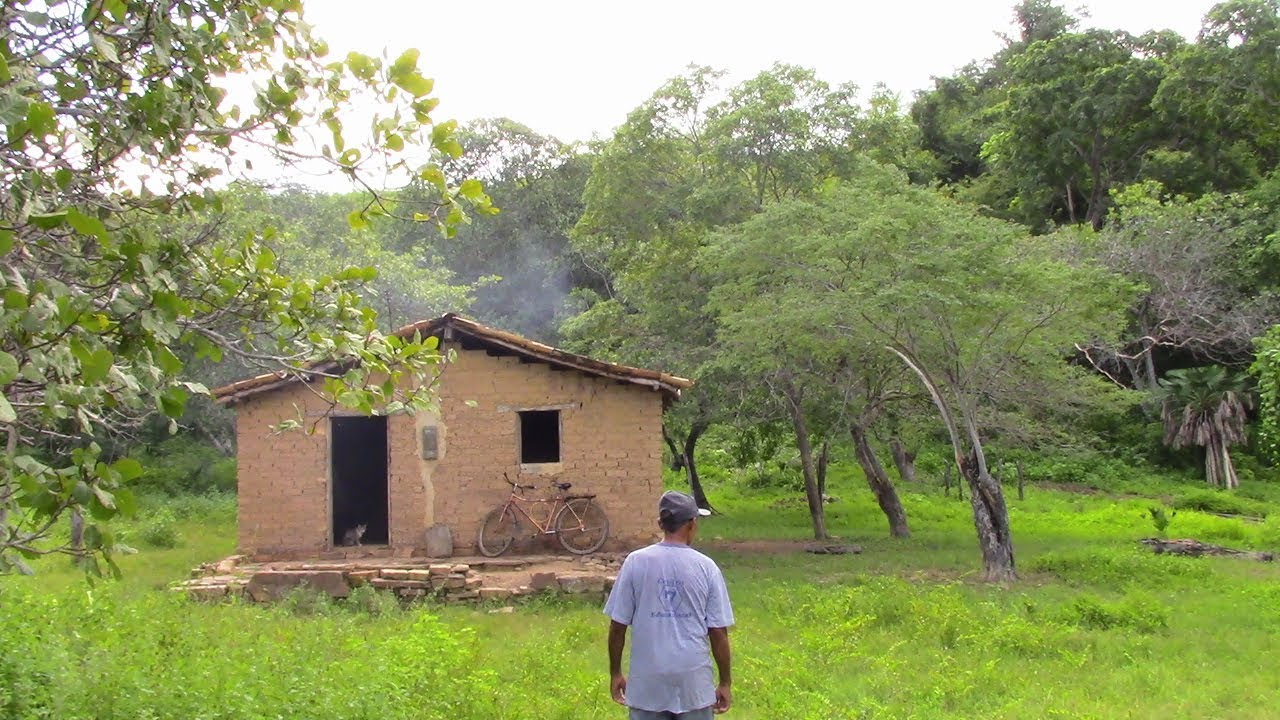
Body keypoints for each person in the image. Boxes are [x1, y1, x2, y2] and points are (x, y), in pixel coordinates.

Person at [604, 490, 734, 719]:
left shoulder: (636, 562)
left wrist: (615, 673)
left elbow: (617, 626)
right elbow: (718, 632)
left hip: (647, 686)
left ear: (660, 524)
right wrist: (725, 682)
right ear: (692, 524)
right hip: (693, 685)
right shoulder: (706, 567)